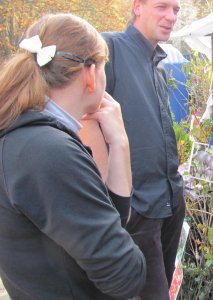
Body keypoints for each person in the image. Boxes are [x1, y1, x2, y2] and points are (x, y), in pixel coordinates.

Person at [0, 13, 146, 299]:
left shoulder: (28, 136)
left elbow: (109, 216)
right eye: (105, 68)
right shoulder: (47, 151)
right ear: (91, 74)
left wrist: (119, 142)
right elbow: (126, 275)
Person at [102, 0, 186, 298]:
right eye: (162, 6)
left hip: (169, 201)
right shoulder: (108, 49)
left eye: (175, 9)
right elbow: (82, 122)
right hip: (136, 208)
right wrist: (122, 205)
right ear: (138, 6)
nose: (171, 16)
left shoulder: (158, 65)